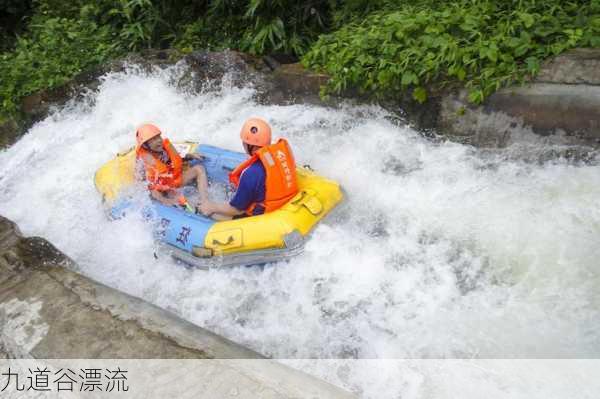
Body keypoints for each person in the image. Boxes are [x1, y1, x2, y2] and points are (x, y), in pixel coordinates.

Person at [197, 117, 298, 220]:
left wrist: (212, 206)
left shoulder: (251, 173)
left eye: (244, 142)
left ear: (249, 145)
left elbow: (237, 209)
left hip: (261, 218)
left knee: (208, 211)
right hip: (282, 204)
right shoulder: (278, 156)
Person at [135, 123, 208, 207]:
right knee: (154, 191)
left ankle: (205, 201)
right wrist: (161, 193)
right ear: (145, 145)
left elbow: (175, 159)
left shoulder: (164, 148)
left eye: (158, 137)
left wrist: (189, 156)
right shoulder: (142, 160)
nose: (158, 140)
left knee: (199, 168)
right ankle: (169, 202)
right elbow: (140, 183)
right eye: (153, 139)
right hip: (161, 189)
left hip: (174, 180)